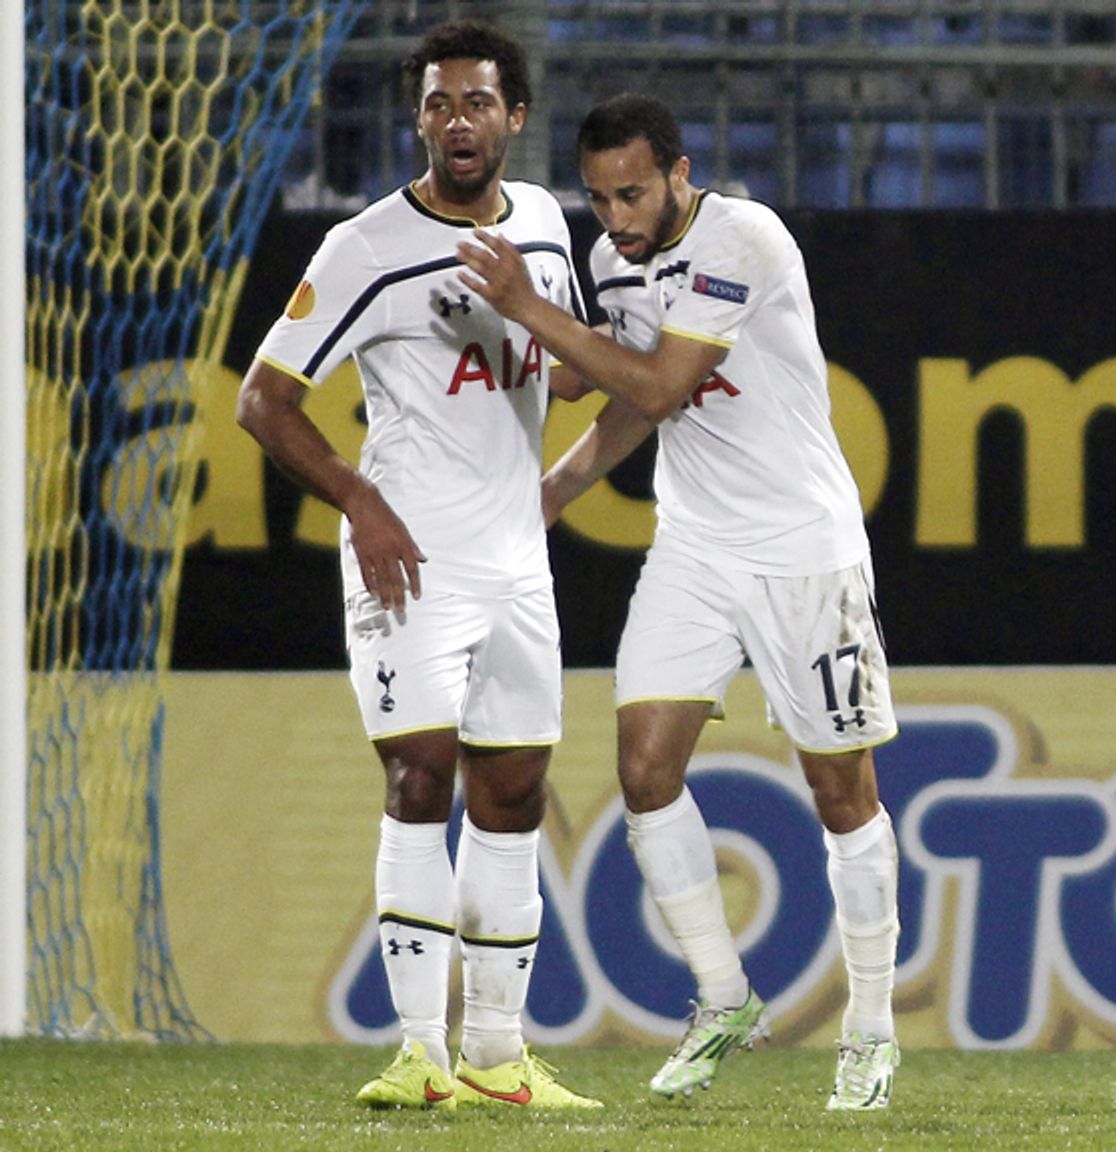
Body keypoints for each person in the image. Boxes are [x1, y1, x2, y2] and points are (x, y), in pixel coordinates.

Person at [454, 93, 904, 1113]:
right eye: (600, 198)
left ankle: (869, 1030)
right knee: (644, 771)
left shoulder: (743, 237)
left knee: (843, 793)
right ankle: (722, 997)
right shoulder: (613, 261)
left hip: (802, 548)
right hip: (694, 545)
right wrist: (557, 483)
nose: (616, 216)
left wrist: (531, 309)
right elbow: (616, 397)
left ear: (679, 172)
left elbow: (658, 387)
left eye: (634, 193)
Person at [236, 21, 597, 1110]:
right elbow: (264, 398)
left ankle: (494, 1053)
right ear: (419, 120)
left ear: (514, 118)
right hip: (408, 564)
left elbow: (573, 377)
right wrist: (361, 500)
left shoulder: (541, 222)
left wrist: (551, 317)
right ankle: (417, 1053)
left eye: (477, 103)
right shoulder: (365, 247)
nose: (457, 122)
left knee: (515, 789)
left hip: (514, 562)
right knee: (419, 779)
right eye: (438, 104)